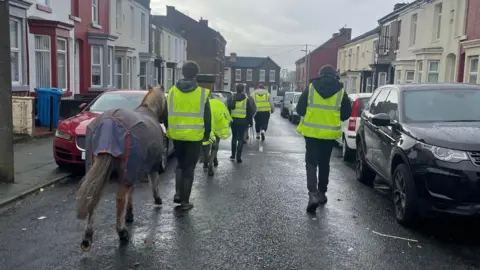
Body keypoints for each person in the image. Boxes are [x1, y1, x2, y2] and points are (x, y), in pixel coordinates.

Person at [296, 65, 352, 213]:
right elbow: (346, 114)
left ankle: (312, 194)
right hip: (329, 134)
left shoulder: (311, 87)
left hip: (311, 132)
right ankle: (322, 193)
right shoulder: (340, 91)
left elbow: (299, 109)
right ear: (334, 76)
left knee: (311, 162)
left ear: (320, 74)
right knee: (324, 163)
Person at [166, 61, 211, 211]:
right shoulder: (202, 93)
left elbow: (166, 114)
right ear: (196, 74)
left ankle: (178, 193)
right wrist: (206, 135)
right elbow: (207, 117)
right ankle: (185, 201)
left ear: (183, 73)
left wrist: (170, 129)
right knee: (189, 168)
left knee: (180, 164)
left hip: (177, 134)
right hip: (194, 136)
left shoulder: (172, 91)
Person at [201, 93, 232, 176]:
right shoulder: (221, 104)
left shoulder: (205, 104)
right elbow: (228, 117)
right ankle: (212, 161)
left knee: (206, 145)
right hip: (217, 129)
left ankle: (205, 162)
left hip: (207, 128)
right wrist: (227, 124)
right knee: (215, 146)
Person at [228, 84, 255, 163]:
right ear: (243, 89)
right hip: (243, 121)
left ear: (236, 89)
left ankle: (233, 155)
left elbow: (228, 108)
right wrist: (250, 122)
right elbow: (250, 112)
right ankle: (238, 157)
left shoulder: (232, 98)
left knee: (234, 137)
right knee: (240, 139)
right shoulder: (246, 99)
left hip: (234, 121)